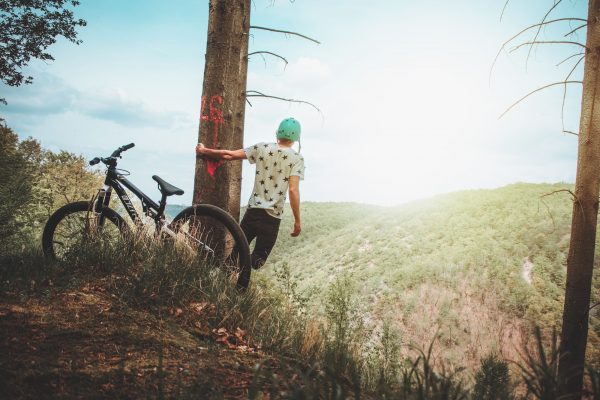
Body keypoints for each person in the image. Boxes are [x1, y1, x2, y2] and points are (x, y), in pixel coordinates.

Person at [195, 117, 305, 270]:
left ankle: (221, 280)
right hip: (272, 218)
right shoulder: (297, 158)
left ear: (277, 133)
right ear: (296, 138)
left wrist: (204, 151)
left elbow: (229, 155)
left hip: (253, 211)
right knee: (258, 260)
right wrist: (297, 221)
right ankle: (235, 285)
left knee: (236, 255)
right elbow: (293, 190)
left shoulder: (262, 148)